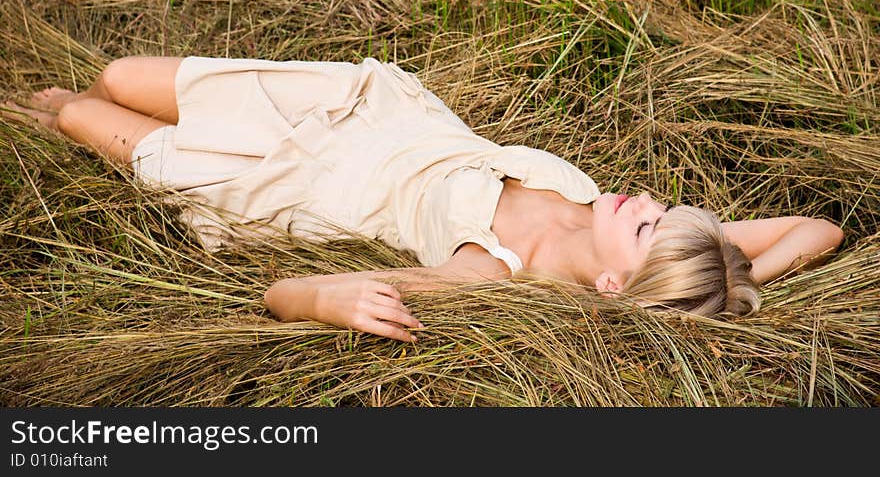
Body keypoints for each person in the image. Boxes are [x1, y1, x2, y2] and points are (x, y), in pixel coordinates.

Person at [2, 55, 845, 342]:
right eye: (664, 211)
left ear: (612, 289)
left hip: (300, 178)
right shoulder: (622, 232)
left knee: (79, 110)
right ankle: (53, 109)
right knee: (116, 75)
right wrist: (731, 287)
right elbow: (821, 227)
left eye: (651, 226)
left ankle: (39, 118)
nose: (649, 202)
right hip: (361, 105)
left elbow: (277, 296)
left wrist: (321, 300)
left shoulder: (499, 269)